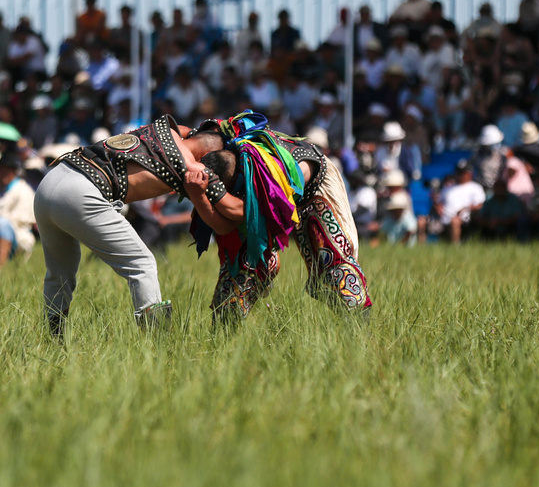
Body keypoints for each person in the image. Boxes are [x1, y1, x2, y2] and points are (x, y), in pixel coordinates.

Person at [33, 116, 228, 337]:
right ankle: (158, 346)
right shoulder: (194, 172)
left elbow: (186, 130)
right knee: (142, 264)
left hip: (50, 182)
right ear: (207, 158)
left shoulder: (161, 129)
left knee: (59, 273)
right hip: (81, 192)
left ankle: (53, 340)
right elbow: (225, 221)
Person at [188, 114, 371, 322]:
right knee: (240, 270)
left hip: (314, 189)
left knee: (333, 267)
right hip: (261, 189)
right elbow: (224, 225)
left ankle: (359, 329)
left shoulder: (263, 172)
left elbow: (239, 213)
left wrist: (204, 194)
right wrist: (199, 194)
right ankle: (224, 330)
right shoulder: (207, 148)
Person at [434, 160, 485, 245]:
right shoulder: (448, 188)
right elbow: (440, 202)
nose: (460, 175)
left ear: (469, 173)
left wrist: (466, 208)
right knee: (421, 221)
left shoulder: (476, 187)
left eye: (463, 172)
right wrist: (438, 207)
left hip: (466, 219)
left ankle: (455, 247)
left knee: (455, 221)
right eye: (459, 172)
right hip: (444, 218)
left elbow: (480, 205)